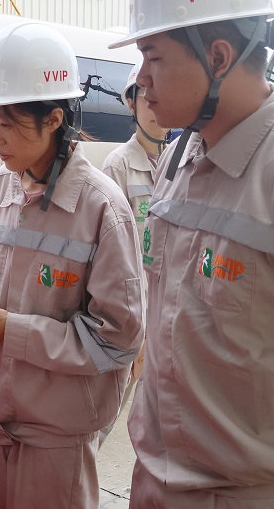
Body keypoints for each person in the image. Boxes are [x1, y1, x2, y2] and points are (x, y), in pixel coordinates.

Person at [108, 0, 274, 508]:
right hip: (154, 474)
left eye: (153, 56)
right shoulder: (180, 155)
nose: (141, 78)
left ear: (219, 58)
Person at [0, 21, 145, 508]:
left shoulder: (102, 209)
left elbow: (117, 339)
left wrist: (10, 329)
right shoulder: (3, 186)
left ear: (54, 118)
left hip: (56, 433)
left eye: (8, 124)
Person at [97, 58, 171, 444]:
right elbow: (112, 256)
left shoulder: (181, 162)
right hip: (131, 313)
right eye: (146, 95)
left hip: (168, 311)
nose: (157, 104)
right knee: (106, 411)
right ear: (131, 103)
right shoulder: (119, 166)